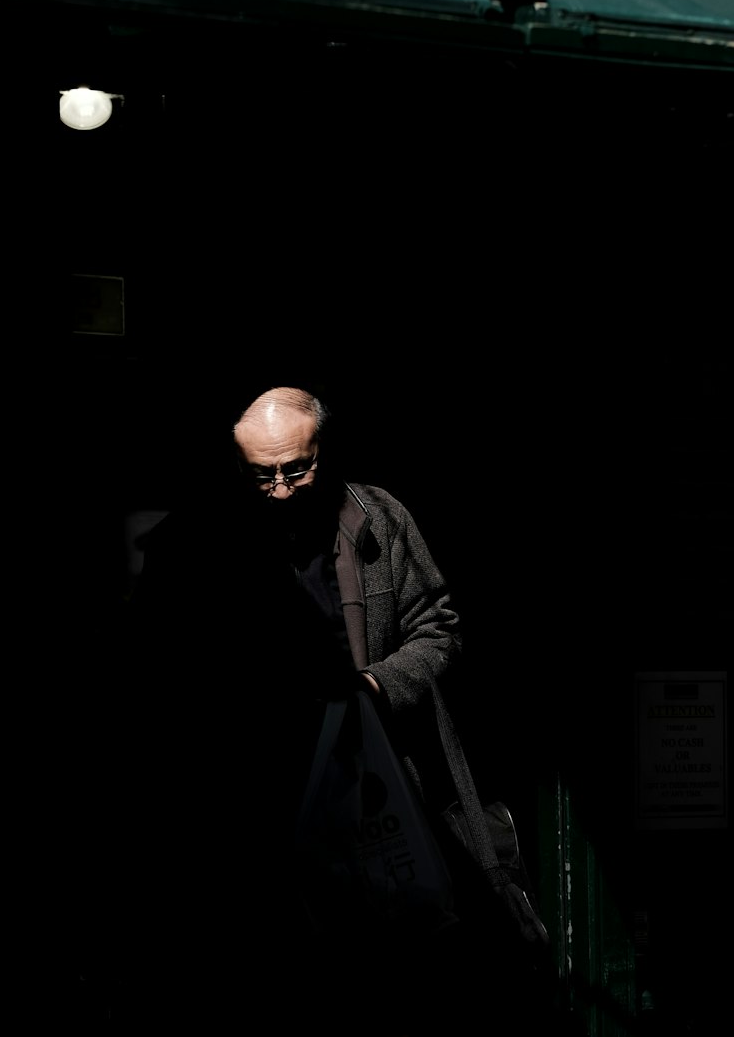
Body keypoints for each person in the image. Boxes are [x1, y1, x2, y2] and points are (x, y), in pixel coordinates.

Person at [115, 384, 543, 1034]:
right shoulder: (203, 541)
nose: (283, 488)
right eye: (263, 474)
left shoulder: (379, 517)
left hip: (382, 788)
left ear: (324, 451)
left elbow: (439, 627)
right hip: (265, 800)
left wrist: (375, 689)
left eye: (298, 468)